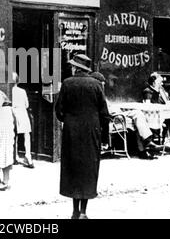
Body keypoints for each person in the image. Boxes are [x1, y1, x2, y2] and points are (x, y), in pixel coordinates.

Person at [55, 54, 110, 219]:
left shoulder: (67, 83)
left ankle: (74, 211)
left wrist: (70, 120)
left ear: (75, 67)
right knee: (88, 169)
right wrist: (103, 135)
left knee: (73, 168)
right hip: (91, 131)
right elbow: (104, 113)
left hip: (72, 132)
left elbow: (59, 111)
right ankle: (84, 212)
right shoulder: (96, 85)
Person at [91, 72, 162, 160]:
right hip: (113, 118)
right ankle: (146, 143)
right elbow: (105, 111)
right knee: (138, 115)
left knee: (138, 119)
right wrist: (115, 111)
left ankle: (144, 147)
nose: (103, 85)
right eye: (102, 83)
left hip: (116, 115)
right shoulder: (97, 94)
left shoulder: (98, 93)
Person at [11, 72, 34, 168]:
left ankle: (15, 156)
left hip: (13, 113)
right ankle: (28, 156)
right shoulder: (22, 91)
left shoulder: (9, 91)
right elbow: (27, 105)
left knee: (14, 135)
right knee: (26, 135)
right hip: (23, 113)